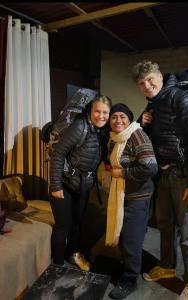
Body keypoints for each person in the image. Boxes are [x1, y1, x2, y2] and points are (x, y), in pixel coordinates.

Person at [131, 60, 188, 299]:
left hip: (183, 176)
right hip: (164, 174)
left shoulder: (182, 100)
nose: (147, 85)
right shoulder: (154, 104)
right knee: (165, 225)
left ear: (160, 77)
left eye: (150, 79)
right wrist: (142, 122)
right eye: (142, 83)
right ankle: (166, 267)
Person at [49, 95, 112, 270]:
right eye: (97, 111)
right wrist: (55, 185)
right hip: (63, 184)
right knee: (63, 227)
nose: (101, 116)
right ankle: (58, 266)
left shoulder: (103, 131)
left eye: (105, 112)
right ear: (90, 111)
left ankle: (74, 255)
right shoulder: (79, 127)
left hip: (83, 185)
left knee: (77, 224)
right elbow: (58, 154)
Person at [105, 103, 158, 299]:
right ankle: (129, 264)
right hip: (122, 194)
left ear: (129, 120)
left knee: (130, 239)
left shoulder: (136, 135)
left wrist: (123, 173)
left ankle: (130, 279)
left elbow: (151, 167)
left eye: (123, 117)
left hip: (138, 196)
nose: (118, 120)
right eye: (114, 117)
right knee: (124, 234)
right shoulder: (115, 139)